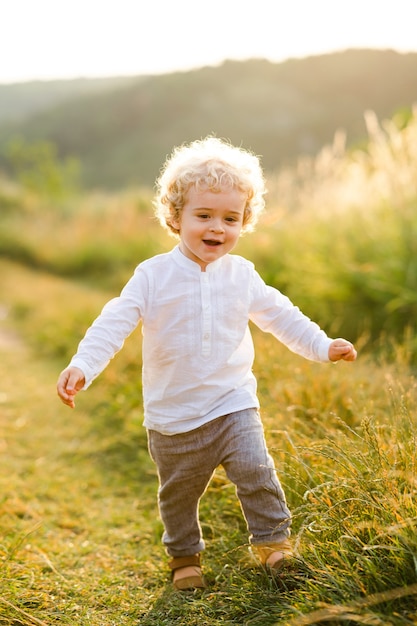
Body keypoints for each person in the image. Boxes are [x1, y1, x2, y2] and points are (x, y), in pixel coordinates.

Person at [57, 136, 357, 591]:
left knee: (257, 470)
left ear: (243, 222)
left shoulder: (242, 275)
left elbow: (281, 316)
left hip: (232, 403)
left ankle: (274, 546)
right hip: (173, 416)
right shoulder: (153, 275)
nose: (217, 227)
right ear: (176, 218)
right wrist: (83, 365)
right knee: (179, 495)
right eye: (204, 216)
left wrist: (321, 344)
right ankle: (184, 558)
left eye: (230, 218)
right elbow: (114, 322)